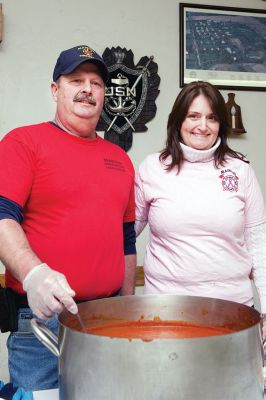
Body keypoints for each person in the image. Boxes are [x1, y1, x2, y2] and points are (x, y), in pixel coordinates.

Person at [0, 45, 136, 390]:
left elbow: (127, 240)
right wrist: (35, 276)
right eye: (76, 80)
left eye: (96, 83)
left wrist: (127, 309)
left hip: (106, 321)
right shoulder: (23, 143)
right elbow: (2, 217)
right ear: (55, 89)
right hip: (41, 324)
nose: (87, 89)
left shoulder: (120, 159)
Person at [135, 81, 266, 334]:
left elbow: (260, 245)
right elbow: (125, 235)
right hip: (165, 313)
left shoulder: (241, 170)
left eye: (212, 118)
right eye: (193, 116)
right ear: (178, 121)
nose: (203, 126)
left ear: (221, 124)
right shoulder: (152, 168)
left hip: (233, 312)